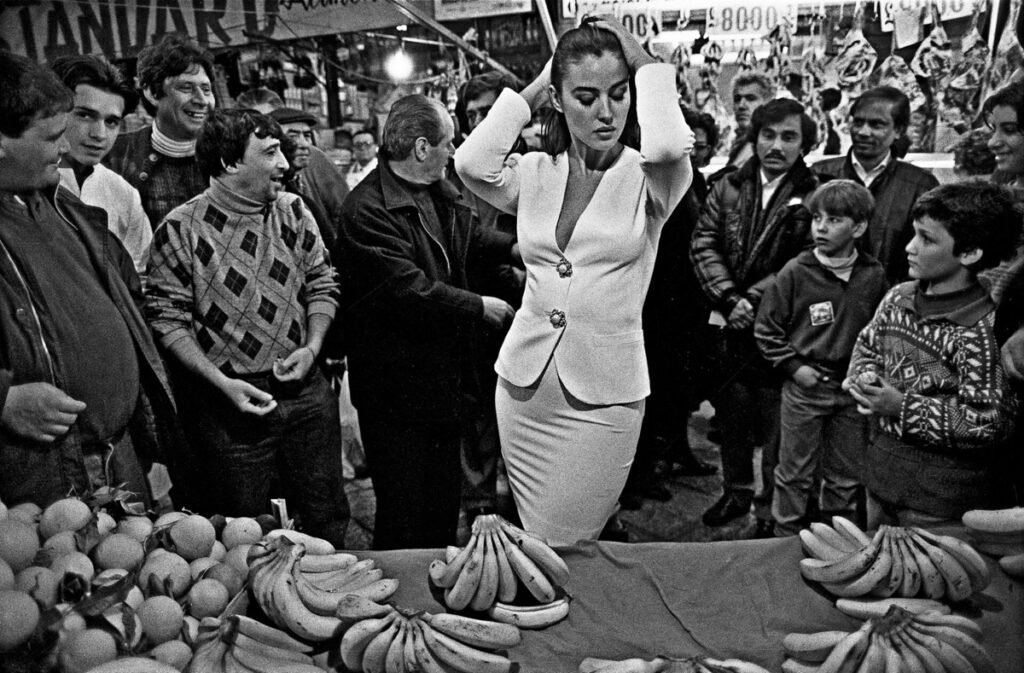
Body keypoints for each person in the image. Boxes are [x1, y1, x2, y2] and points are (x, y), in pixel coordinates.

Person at [455, 17, 694, 545]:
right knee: (534, 538)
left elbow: (670, 148)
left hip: (604, 395)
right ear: (560, 101)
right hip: (523, 387)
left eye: (618, 94)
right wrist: (539, 83)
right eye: (585, 96)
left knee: (575, 541)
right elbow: (470, 163)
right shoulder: (538, 170)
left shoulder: (650, 178)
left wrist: (642, 59)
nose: (606, 112)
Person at [146, 109, 348, 545]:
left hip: (307, 391)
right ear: (230, 162)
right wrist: (221, 383)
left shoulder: (293, 211)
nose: (284, 164)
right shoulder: (180, 229)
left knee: (327, 514)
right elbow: (167, 318)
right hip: (230, 406)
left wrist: (312, 347)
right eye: (272, 152)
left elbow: (322, 282)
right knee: (243, 532)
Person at [0, 52, 187, 508]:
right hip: (40, 476)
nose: (65, 149)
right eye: (51, 137)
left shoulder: (60, 206)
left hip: (112, 458)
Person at [335, 94, 518, 550]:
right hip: (395, 392)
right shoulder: (367, 211)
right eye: (448, 142)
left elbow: (468, 236)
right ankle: (398, 600)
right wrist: (480, 307)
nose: (453, 152)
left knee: (440, 501)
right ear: (421, 148)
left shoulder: (438, 188)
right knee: (402, 508)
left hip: (441, 382)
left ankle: (434, 587)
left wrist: (512, 248)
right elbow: (409, 290)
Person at [844, 181, 1020, 526]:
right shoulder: (898, 298)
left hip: (939, 502)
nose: (910, 247)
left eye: (927, 238)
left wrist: (901, 406)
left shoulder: (983, 329)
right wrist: (866, 377)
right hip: (880, 479)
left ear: (969, 253)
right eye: (914, 234)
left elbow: (989, 422)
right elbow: (867, 346)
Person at [691, 98, 818, 536]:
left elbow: (806, 259)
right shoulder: (727, 185)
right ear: (755, 137)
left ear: (804, 143)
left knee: (777, 428)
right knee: (732, 419)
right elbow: (703, 242)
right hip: (728, 326)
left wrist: (753, 300)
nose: (776, 145)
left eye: (788, 137)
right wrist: (728, 298)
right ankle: (736, 492)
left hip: (780, 331)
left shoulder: (815, 193)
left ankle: (768, 510)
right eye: (768, 135)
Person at [755, 180, 889, 536]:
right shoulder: (795, 272)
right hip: (806, 388)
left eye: (834, 220)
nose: (821, 227)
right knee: (794, 472)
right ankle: (783, 538)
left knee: (845, 477)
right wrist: (795, 368)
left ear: (858, 227)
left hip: (851, 392)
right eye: (817, 218)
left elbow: (883, 333)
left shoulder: (873, 275)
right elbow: (766, 329)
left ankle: (839, 541)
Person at [622, 107, 718, 510]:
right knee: (649, 387)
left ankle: (677, 450)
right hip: (652, 298)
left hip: (687, 299)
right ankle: (638, 471)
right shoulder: (652, 179)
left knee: (679, 382)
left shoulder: (701, 183)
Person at [811, 87, 939, 284]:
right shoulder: (819, 176)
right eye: (858, 122)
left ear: (898, 130)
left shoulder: (920, 186)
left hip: (890, 302)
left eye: (876, 125)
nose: (863, 132)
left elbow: (927, 254)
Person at [50, 55, 152, 277]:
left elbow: (138, 278)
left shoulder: (123, 194)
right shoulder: (21, 182)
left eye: (111, 122)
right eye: (85, 115)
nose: (99, 134)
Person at [104, 34, 215, 227]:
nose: (202, 100)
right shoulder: (115, 156)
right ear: (152, 93)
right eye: (186, 87)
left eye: (206, 90)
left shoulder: (233, 151)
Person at [269, 106, 341, 250]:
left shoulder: (318, 160)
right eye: (293, 136)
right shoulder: (266, 188)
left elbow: (341, 210)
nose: (304, 144)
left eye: (307, 136)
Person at [725, 72, 774, 169]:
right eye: (737, 99)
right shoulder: (740, 145)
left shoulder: (771, 147)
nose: (741, 106)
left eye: (751, 98)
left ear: (768, 104)